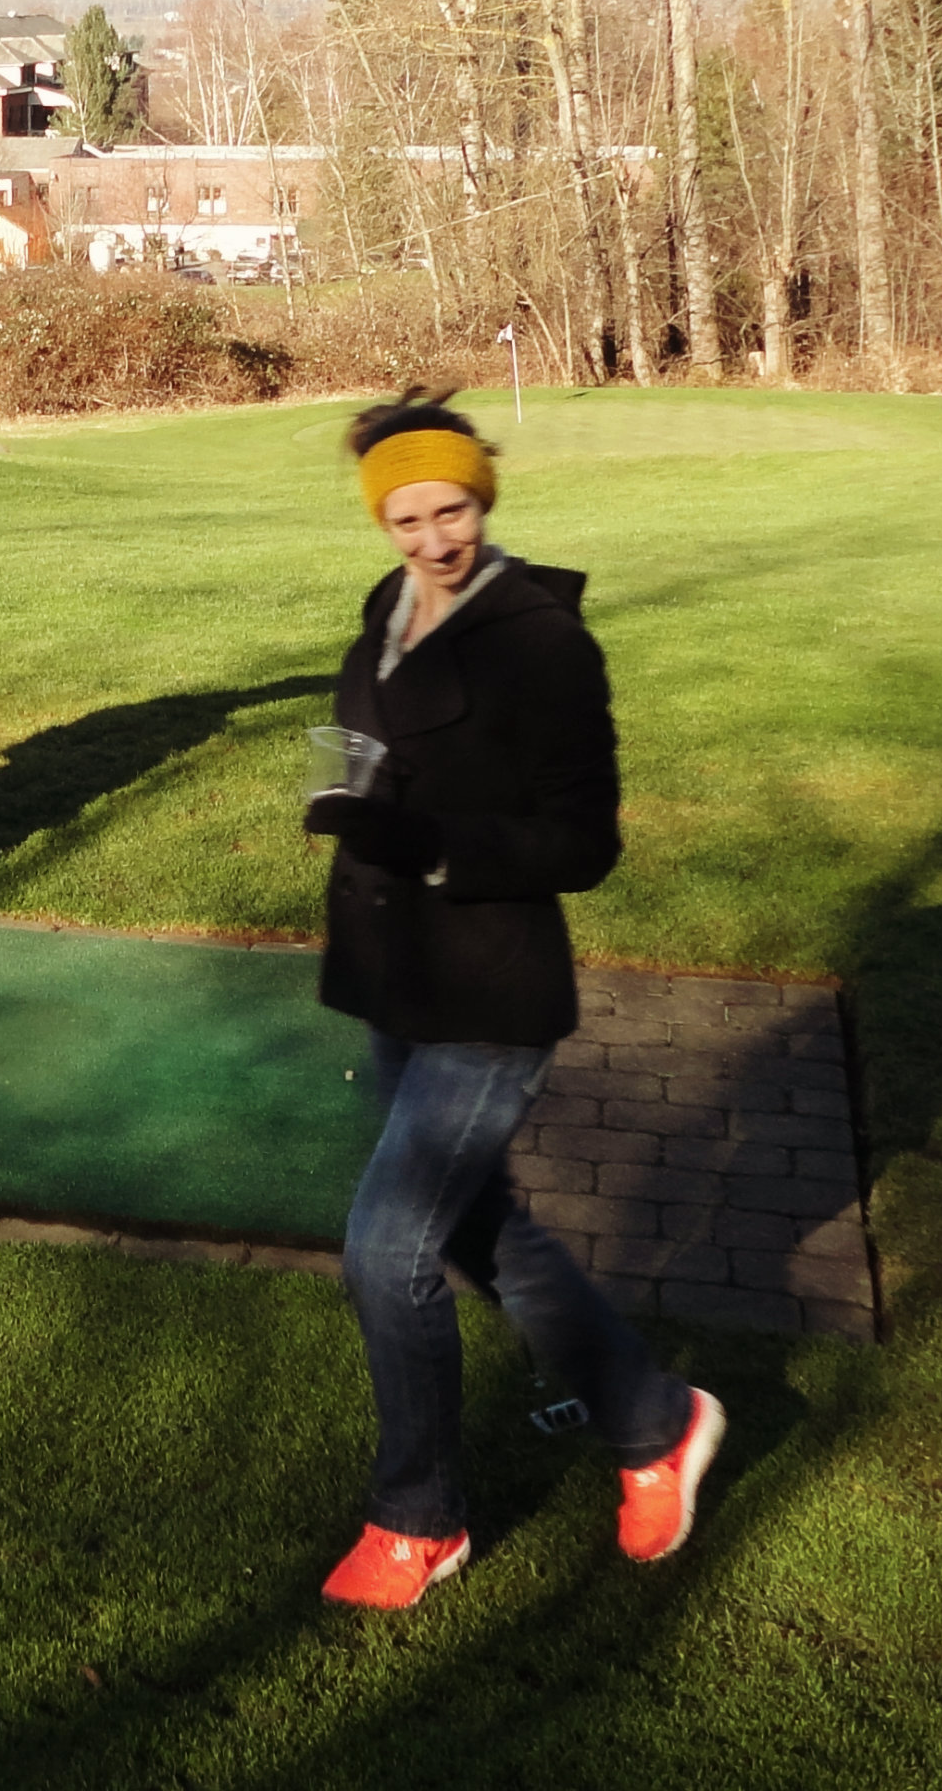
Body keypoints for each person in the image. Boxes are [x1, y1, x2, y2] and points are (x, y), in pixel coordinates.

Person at [304, 390, 720, 1609]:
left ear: (482, 499)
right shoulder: (387, 608)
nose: (435, 540)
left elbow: (584, 840)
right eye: (407, 520)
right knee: (482, 1234)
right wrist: (349, 799)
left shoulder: (541, 640)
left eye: (453, 512)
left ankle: (418, 1521)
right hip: (394, 972)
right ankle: (657, 1424)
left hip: (490, 988)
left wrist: (430, 843)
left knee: (387, 1250)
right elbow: (376, 742)